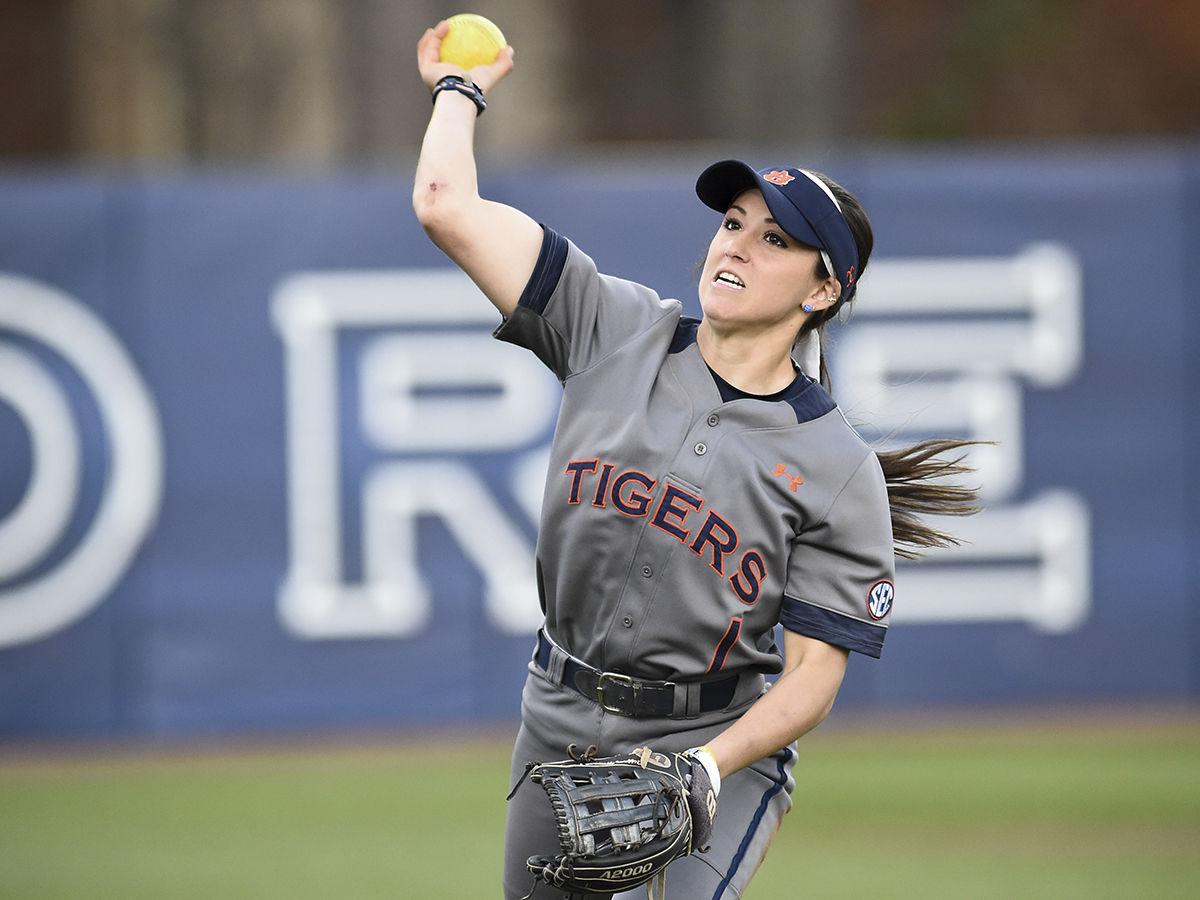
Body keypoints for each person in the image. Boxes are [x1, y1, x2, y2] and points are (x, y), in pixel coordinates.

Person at [414, 20, 978, 899]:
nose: (736, 246)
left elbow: (810, 684)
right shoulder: (613, 327)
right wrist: (460, 87)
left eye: (775, 241)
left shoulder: (835, 469)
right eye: (733, 222)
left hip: (714, 746)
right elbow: (447, 206)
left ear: (825, 290)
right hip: (555, 715)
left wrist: (706, 771)